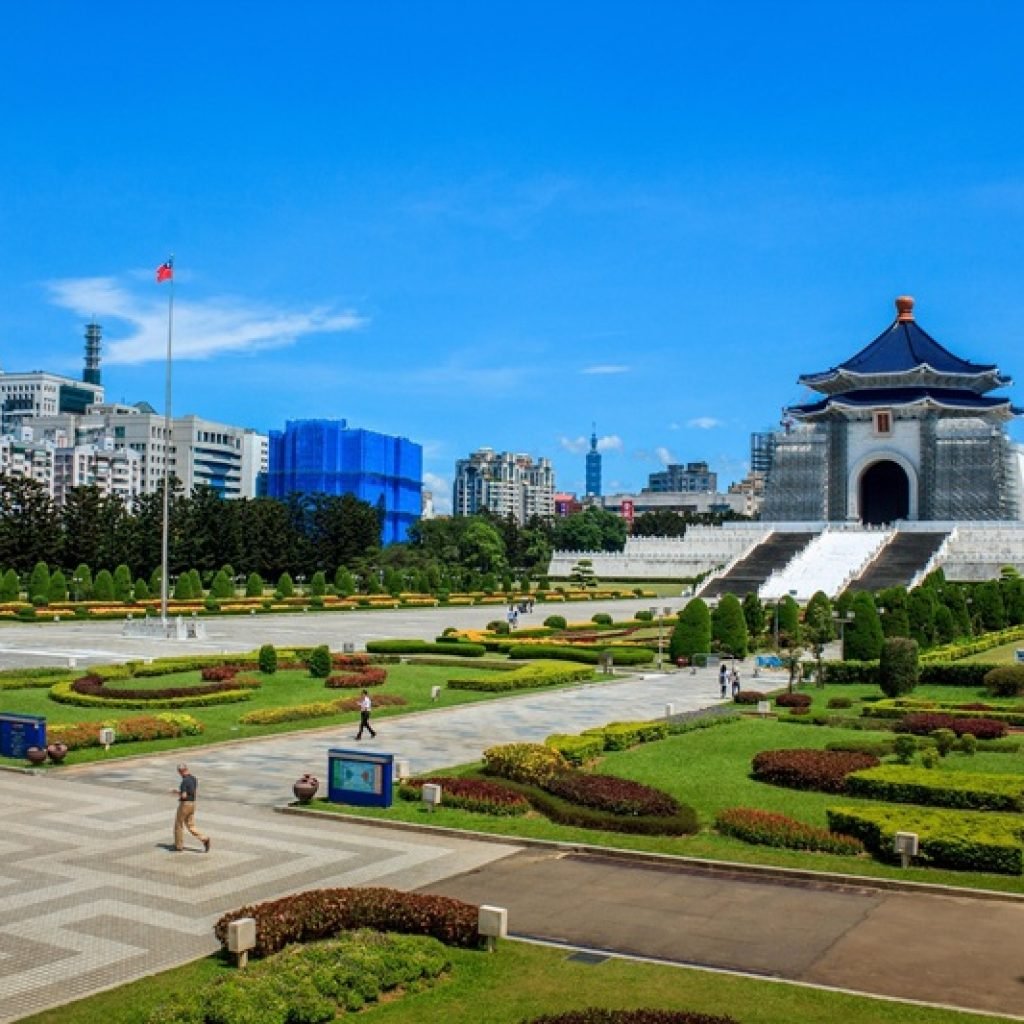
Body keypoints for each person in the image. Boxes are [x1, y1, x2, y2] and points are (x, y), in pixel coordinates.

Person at [171, 763, 210, 853]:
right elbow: (193, 792)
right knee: (191, 825)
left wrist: (177, 792)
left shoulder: (184, 781)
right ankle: (204, 838)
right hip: (193, 803)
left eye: (179, 772)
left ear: (180, 771)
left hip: (185, 805)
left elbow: (184, 796)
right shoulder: (194, 778)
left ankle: (178, 846)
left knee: (178, 825)